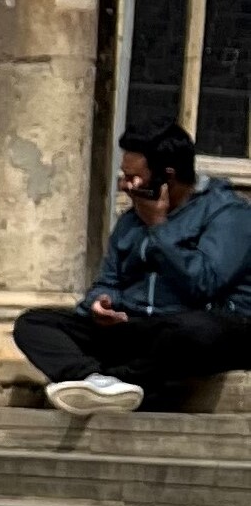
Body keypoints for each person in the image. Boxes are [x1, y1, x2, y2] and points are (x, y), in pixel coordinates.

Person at [14, 123, 251, 416]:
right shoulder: (131, 220)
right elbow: (108, 280)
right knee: (34, 324)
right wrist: (100, 304)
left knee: (192, 332)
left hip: (195, 329)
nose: (125, 185)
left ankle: (119, 380)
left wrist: (159, 228)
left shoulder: (228, 214)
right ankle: (96, 380)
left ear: (168, 177)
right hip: (139, 329)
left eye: (133, 177)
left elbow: (204, 283)